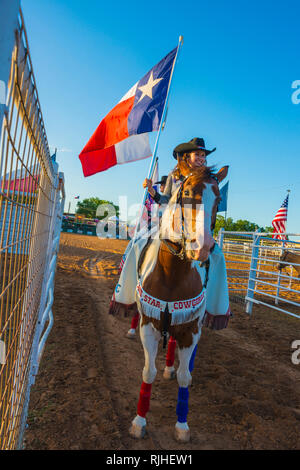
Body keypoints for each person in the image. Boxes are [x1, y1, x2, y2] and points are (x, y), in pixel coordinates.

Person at [110, 137, 231, 330]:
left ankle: (214, 305)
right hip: (169, 224)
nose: (201, 158)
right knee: (137, 243)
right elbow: (165, 199)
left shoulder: (208, 179)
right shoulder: (174, 176)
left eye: (203, 155)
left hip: (195, 227)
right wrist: (152, 191)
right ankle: (127, 290)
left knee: (217, 256)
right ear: (186, 157)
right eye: (197, 154)